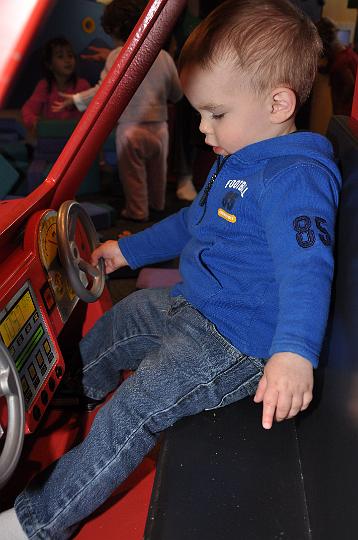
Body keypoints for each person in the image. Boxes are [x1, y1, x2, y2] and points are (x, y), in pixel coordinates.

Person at [1, 1, 342, 538]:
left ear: (278, 103)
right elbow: (192, 222)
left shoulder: (295, 177)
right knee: (125, 315)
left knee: (137, 408)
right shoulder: (241, 154)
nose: (204, 129)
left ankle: (35, 522)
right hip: (195, 304)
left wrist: (293, 353)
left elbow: (308, 268)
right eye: (200, 113)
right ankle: (70, 402)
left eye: (217, 114)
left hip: (238, 343)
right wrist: (127, 251)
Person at [53, 0, 183, 222]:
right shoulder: (164, 56)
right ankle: (157, 205)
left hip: (130, 128)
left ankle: (137, 210)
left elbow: (102, 91)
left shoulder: (117, 55)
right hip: (160, 128)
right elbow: (177, 94)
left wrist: (74, 99)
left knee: (132, 175)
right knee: (157, 173)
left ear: (113, 30)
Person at [21, 37, 90, 138]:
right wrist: (34, 122)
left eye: (70, 55)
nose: (67, 60)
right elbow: (28, 110)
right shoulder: (44, 86)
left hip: (75, 139)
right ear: (49, 65)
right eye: (60, 56)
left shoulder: (83, 85)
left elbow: (93, 113)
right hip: (51, 139)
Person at [316, 16, 358, 116]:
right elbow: (331, 66)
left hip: (346, 115)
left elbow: (350, 84)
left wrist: (341, 103)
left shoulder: (342, 62)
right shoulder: (345, 54)